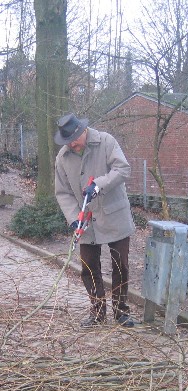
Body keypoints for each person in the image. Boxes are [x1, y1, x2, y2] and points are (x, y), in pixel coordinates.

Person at [54, 113, 136, 328]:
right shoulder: (62, 158)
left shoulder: (106, 142)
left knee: (121, 265)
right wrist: (74, 219)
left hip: (114, 214)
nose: (72, 144)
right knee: (89, 268)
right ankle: (98, 312)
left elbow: (123, 169)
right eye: (67, 141)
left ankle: (121, 311)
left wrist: (99, 184)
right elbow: (63, 193)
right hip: (86, 220)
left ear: (83, 131)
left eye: (75, 139)